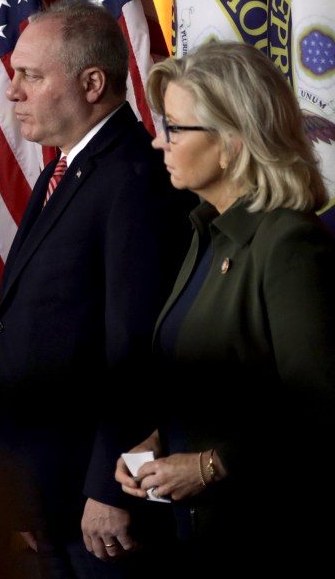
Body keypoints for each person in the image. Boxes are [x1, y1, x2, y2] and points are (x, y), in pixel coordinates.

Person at [0, 0, 194, 578]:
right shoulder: (68, 169)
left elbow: (133, 347)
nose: (13, 92)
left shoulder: (133, 180)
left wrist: (112, 485)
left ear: (93, 82)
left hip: (98, 503)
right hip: (47, 486)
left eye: (30, 75)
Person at [114, 41, 335, 574]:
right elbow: (213, 381)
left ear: (233, 142)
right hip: (198, 532)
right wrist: (159, 439)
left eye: (174, 127)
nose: (156, 140)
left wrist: (213, 466)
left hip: (269, 535)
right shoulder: (206, 232)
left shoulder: (287, 243)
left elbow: (321, 409)